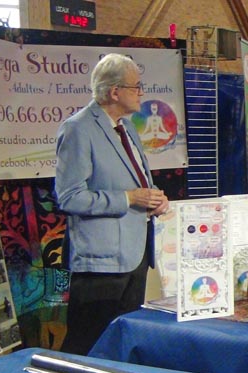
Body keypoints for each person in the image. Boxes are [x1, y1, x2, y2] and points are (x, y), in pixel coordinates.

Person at [55, 53, 169, 355]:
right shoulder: (78, 129)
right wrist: (128, 199)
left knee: (122, 344)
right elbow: (69, 197)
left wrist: (155, 197)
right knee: (88, 345)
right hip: (101, 263)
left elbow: (138, 180)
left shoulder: (128, 127)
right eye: (136, 87)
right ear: (114, 91)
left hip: (135, 256)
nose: (141, 93)